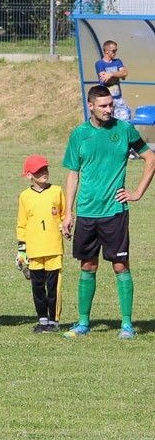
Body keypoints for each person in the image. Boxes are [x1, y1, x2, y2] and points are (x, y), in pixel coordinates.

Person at [61, 84, 155, 339]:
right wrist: (68, 213)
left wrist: (137, 192)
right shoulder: (79, 134)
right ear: (90, 106)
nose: (108, 109)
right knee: (87, 265)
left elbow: (150, 158)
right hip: (87, 212)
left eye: (111, 104)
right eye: (103, 105)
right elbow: (73, 174)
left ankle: (127, 325)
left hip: (115, 211)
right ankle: (82, 323)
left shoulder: (124, 130)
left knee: (120, 266)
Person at [16, 154, 65, 333]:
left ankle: (54, 320)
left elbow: (65, 215)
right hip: (34, 250)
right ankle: (42, 319)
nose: (44, 173)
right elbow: (22, 223)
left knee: (53, 287)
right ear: (29, 175)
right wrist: (22, 248)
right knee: (37, 287)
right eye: (39, 171)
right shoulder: (24, 196)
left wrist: (67, 227)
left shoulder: (57, 191)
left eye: (45, 169)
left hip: (53, 248)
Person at [95, 40, 130, 121]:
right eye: (113, 51)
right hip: (106, 99)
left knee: (124, 121)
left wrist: (111, 74)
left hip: (118, 98)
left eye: (116, 50)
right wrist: (118, 75)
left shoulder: (118, 61)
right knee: (108, 123)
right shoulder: (100, 63)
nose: (115, 52)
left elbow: (125, 73)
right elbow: (106, 80)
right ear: (106, 51)